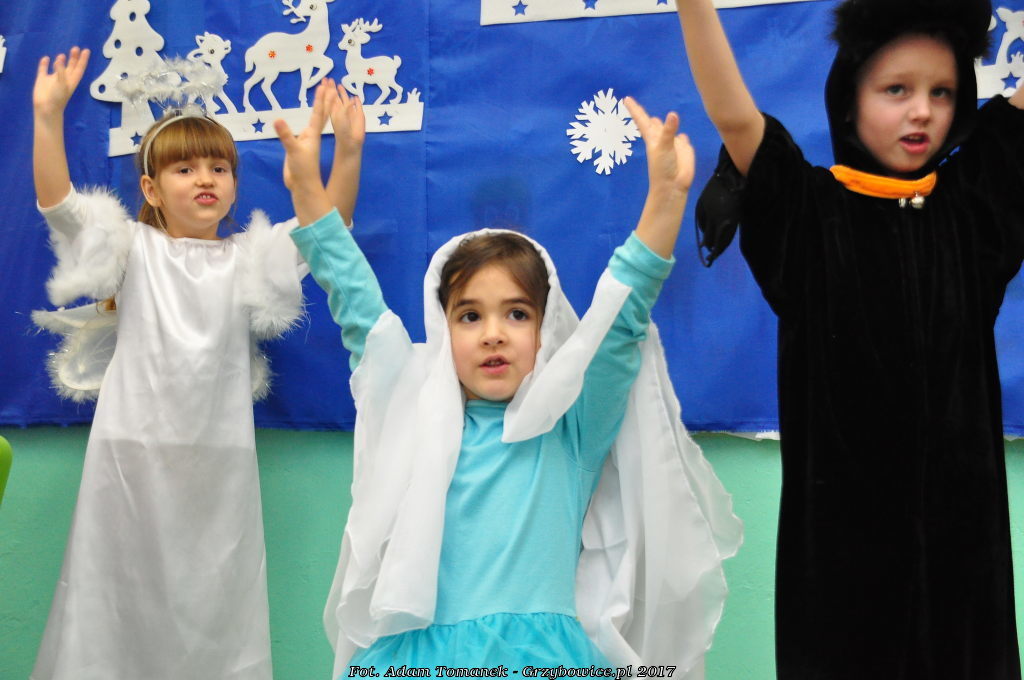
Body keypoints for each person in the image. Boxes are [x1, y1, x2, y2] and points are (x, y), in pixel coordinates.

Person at [273, 91, 742, 678]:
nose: (493, 334)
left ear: (546, 330)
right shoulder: (412, 412)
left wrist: (666, 199)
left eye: (517, 314)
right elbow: (357, 304)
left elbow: (620, 319)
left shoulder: (571, 429)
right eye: (470, 316)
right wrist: (308, 194)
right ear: (443, 329)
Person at [674, 0, 1024, 677]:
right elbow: (735, 118)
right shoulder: (807, 215)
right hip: (844, 575)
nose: (921, 111)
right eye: (896, 89)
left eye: (942, 92)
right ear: (849, 97)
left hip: (963, 572)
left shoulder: (972, 209)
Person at [29, 47, 360, 679]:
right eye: (184, 168)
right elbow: (61, 207)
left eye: (218, 167)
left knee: (214, 605)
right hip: (130, 460)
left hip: (219, 464)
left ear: (234, 182)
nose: (205, 178)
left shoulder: (249, 257)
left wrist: (347, 151)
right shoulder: (132, 248)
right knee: (115, 598)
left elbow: (329, 228)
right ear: (151, 189)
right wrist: (47, 118)